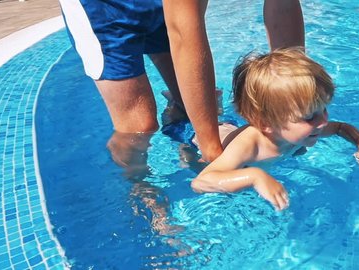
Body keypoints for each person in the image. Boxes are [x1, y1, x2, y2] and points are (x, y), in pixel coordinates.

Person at [59, 0, 305, 164]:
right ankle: (140, 193)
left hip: (161, 4)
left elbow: (283, 5)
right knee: (138, 128)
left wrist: (296, 105)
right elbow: (183, 34)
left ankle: (177, 118)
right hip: (104, 9)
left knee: (195, 106)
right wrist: (212, 151)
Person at [190, 47, 359, 211]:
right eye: (309, 116)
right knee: (183, 135)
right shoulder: (250, 145)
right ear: (266, 123)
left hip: (233, 128)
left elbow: (340, 128)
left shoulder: (306, 127)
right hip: (193, 142)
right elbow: (200, 182)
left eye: (324, 110)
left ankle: (216, 106)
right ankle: (178, 109)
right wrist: (254, 177)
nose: (322, 122)